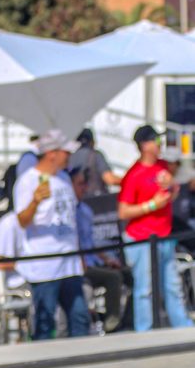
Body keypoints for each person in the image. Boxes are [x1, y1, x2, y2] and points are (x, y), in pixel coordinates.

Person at [14, 129, 90, 340]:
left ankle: (84, 365)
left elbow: (71, 220)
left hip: (70, 263)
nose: (69, 156)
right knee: (45, 323)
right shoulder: (27, 181)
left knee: (80, 318)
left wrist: (80, 255)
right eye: (66, 152)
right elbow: (22, 221)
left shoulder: (65, 177)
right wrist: (35, 201)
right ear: (52, 153)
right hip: (45, 265)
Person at [118, 125, 192, 332]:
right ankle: (145, 331)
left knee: (172, 287)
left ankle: (183, 328)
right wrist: (151, 205)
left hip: (164, 236)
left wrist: (172, 187)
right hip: (142, 239)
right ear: (144, 145)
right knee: (145, 290)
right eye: (155, 141)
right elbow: (123, 212)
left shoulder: (162, 166)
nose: (159, 144)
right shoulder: (134, 174)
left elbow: (173, 194)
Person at [70, 167, 131, 333]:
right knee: (113, 278)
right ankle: (111, 324)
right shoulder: (69, 212)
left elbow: (90, 244)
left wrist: (107, 259)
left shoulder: (86, 211)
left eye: (85, 184)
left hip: (93, 262)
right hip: (79, 267)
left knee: (129, 274)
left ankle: (127, 321)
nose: (84, 188)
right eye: (80, 184)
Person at [67, 128, 122, 196]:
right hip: (95, 201)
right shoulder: (95, 155)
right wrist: (130, 181)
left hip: (75, 200)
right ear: (92, 142)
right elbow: (110, 179)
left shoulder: (69, 158)